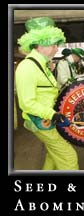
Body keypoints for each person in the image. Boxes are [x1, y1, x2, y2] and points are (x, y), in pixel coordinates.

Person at [15, 17, 79, 170]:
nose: (57, 48)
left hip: (48, 119)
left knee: (53, 154)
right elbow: (27, 103)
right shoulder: (27, 67)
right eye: (54, 44)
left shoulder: (41, 65)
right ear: (41, 44)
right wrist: (53, 115)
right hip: (42, 122)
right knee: (69, 157)